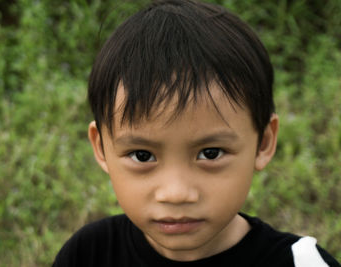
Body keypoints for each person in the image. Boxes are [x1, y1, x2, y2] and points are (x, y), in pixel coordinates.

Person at [53, 0, 340, 266]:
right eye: (142, 155)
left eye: (210, 153)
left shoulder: (301, 263)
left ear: (263, 142)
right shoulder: (88, 254)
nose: (176, 194)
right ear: (102, 148)